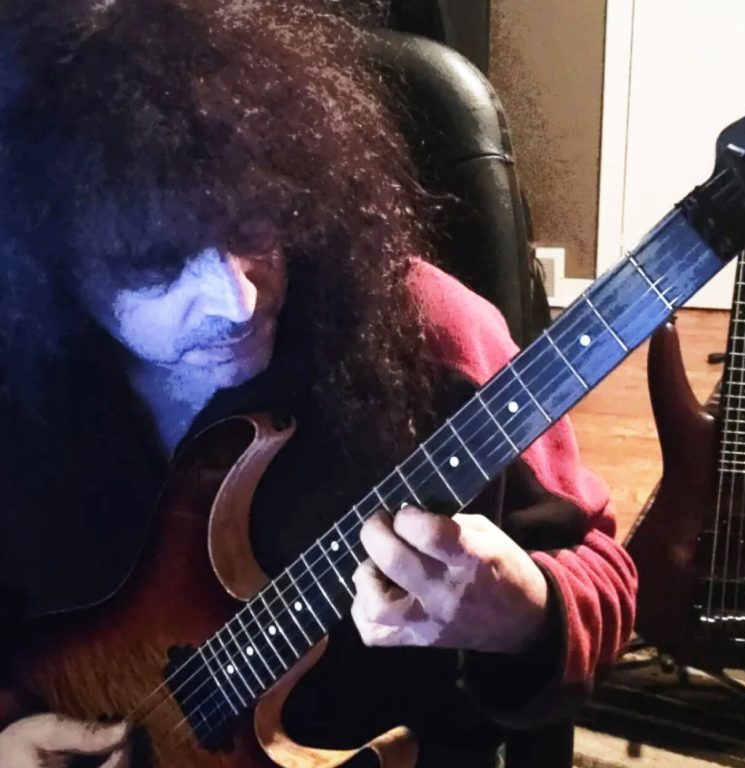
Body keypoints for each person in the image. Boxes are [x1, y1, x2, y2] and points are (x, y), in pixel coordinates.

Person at [0, 1, 638, 767]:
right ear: (50, 260)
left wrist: (529, 613)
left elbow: (605, 577)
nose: (238, 300)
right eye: (157, 265)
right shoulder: (21, 381)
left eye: (252, 224)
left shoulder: (435, 334)